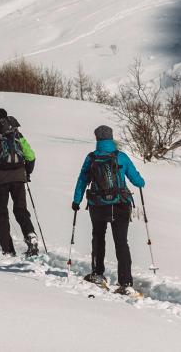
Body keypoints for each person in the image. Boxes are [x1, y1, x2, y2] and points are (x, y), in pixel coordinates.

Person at [71, 124, 146, 293]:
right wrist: (140, 180)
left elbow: (82, 180)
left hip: (98, 205)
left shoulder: (91, 158)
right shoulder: (121, 157)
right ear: (111, 138)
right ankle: (125, 283)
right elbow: (138, 181)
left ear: (97, 138)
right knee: (121, 242)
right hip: (121, 204)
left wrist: (76, 200)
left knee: (98, 237)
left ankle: (98, 274)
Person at [0, 107, 38, 256]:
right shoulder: (17, 134)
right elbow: (30, 156)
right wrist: (27, 172)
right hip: (19, 176)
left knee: (1, 214)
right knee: (21, 210)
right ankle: (30, 235)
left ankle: (8, 250)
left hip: (0, 179)